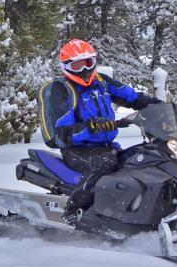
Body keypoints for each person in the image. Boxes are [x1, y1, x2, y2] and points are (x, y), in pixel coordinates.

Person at [38, 39, 161, 225]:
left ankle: (133, 214)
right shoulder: (60, 90)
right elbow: (59, 135)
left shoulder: (101, 82)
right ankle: (74, 210)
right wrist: (91, 126)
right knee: (106, 162)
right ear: (66, 66)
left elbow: (133, 97)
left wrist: (162, 107)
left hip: (107, 146)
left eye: (88, 63)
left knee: (139, 161)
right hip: (77, 150)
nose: (85, 69)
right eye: (78, 65)